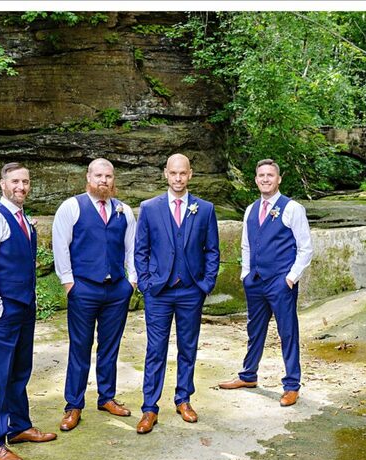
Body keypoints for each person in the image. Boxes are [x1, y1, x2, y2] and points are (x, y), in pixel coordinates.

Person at [0, 162, 57, 460]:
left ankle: (19, 427)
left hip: (24, 307)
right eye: (15, 182)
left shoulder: (23, 219)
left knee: (20, 370)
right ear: (2, 184)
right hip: (3, 311)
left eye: (25, 182)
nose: (21, 187)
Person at [133, 154, 220, 434]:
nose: (178, 178)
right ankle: (149, 408)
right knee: (155, 350)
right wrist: (146, 284)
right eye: (173, 173)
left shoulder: (204, 209)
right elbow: (141, 250)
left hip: (190, 291)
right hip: (158, 292)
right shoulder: (149, 208)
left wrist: (205, 284)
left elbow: (212, 250)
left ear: (190, 175)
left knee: (188, 348)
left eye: (183, 173)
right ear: (165, 174)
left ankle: (183, 399)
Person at [218, 159, 313, 406]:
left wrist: (290, 279)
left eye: (270, 175)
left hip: (281, 283)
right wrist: (246, 275)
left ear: (278, 179)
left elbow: (305, 249)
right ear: (256, 179)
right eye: (261, 175)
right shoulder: (251, 209)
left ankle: (291, 385)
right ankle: (248, 375)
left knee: (287, 332)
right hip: (256, 282)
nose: (266, 179)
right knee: (254, 330)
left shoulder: (292, 208)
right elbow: (247, 245)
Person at [52, 158, 137, 431]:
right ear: (88, 177)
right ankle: (73, 405)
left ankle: (107, 397)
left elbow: (131, 249)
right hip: (84, 288)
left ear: (114, 180)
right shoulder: (72, 207)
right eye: (99, 175)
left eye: (109, 176)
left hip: (116, 290)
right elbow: (60, 246)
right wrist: (68, 283)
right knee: (80, 347)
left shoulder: (124, 210)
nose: (104, 180)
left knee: (110, 347)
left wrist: (131, 281)